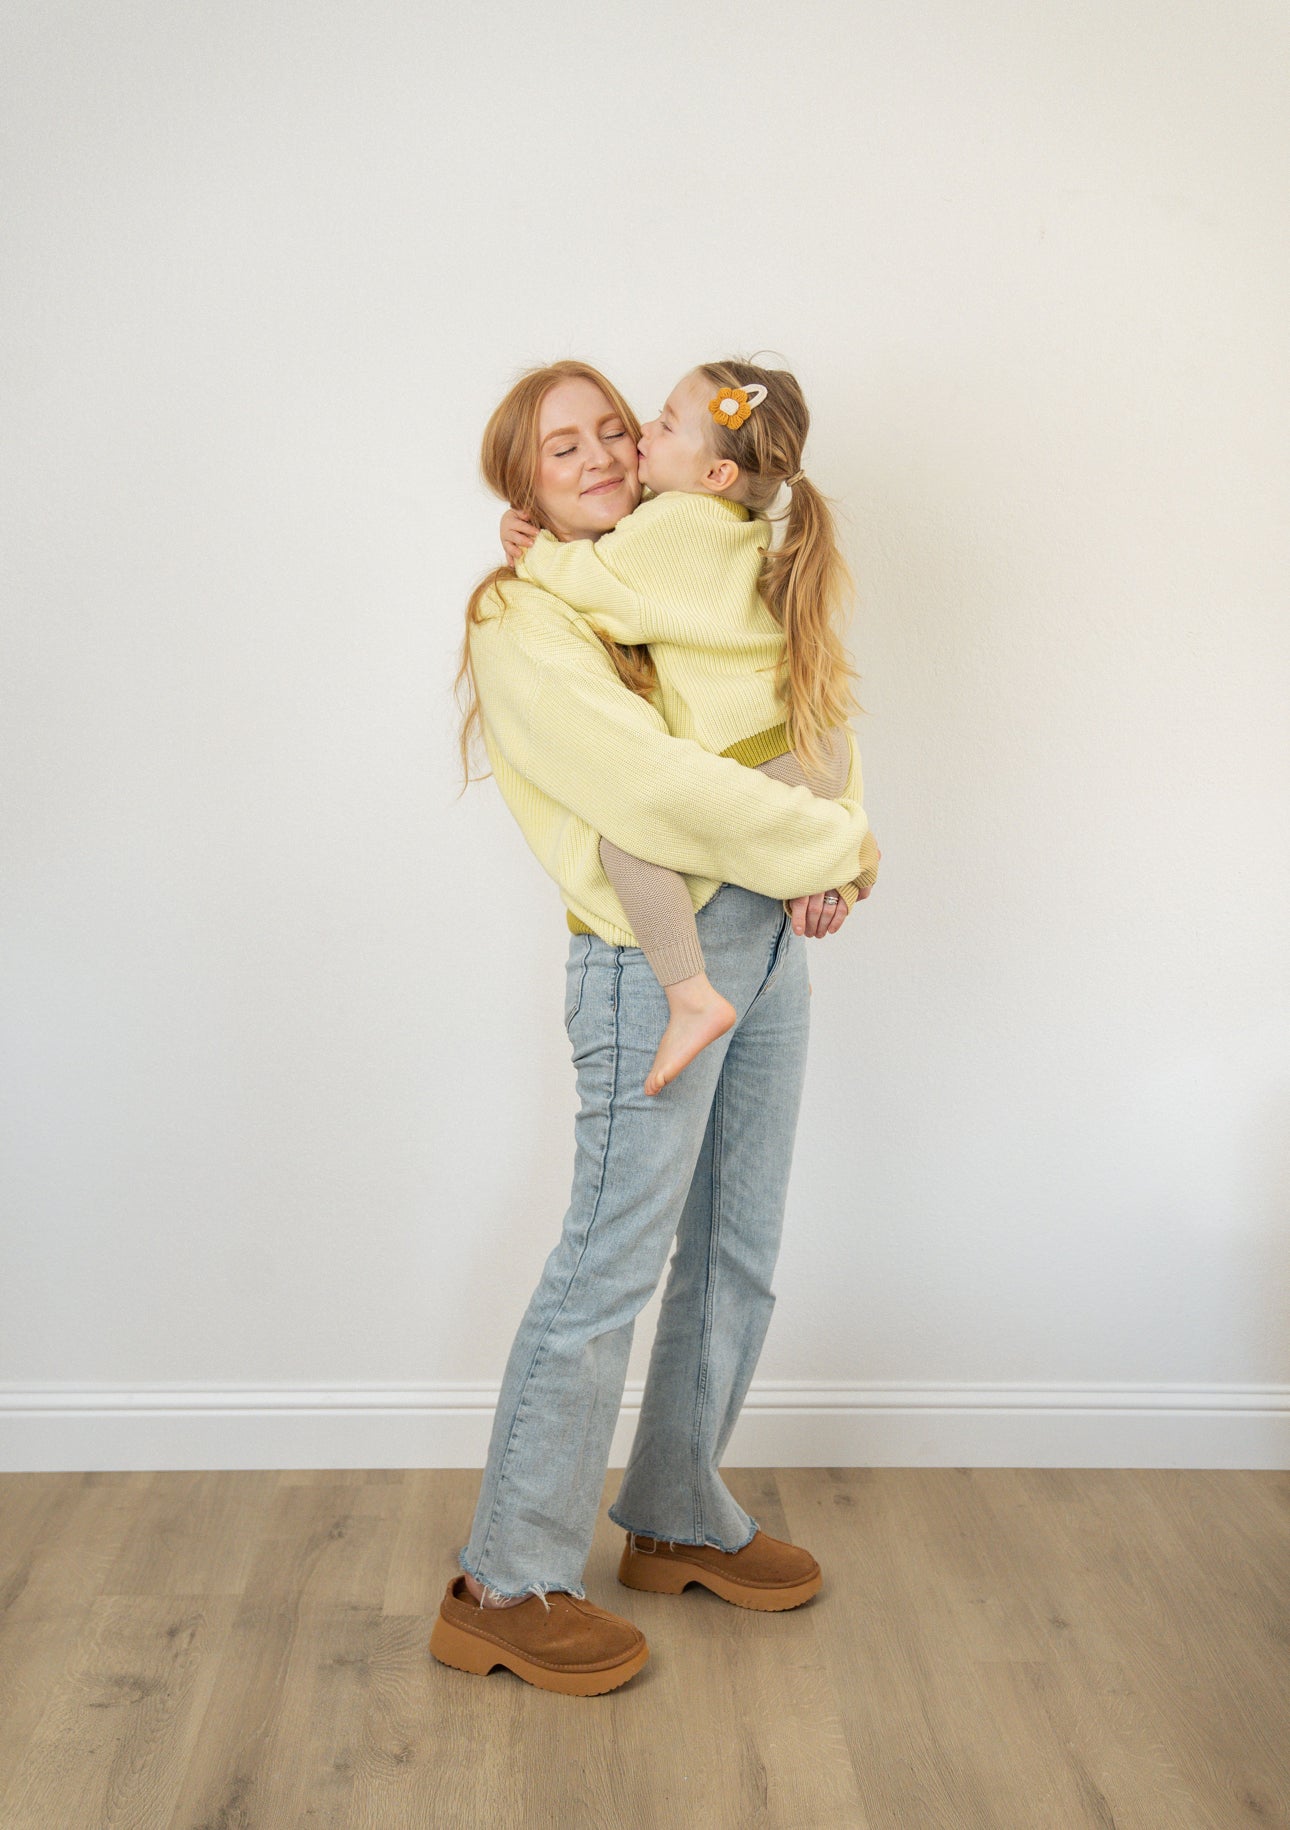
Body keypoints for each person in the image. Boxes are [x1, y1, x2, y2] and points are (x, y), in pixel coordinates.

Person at [428, 360, 880, 1698]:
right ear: (517, 481)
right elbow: (653, 782)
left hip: (759, 937)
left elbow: (802, 703)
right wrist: (833, 841)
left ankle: (678, 1505)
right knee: (604, 1266)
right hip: (646, 958)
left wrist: (834, 848)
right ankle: (505, 1580)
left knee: (738, 1238)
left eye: (612, 427)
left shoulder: (685, 562)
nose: (596, 451)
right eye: (555, 444)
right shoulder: (525, 609)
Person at [500, 356, 880, 1097]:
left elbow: (602, 589)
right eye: (565, 447)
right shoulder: (729, 526)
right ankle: (841, 856)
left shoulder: (667, 529)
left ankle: (690, 997)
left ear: (713, 475)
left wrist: (534, 552)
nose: (634, 438)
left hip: (758, 763)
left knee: (630, 841)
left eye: (654, 426)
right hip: (808, 754)